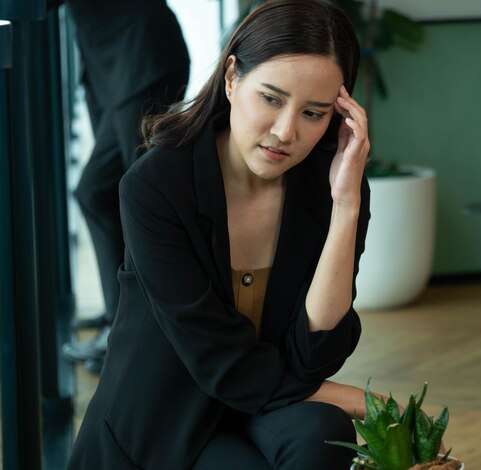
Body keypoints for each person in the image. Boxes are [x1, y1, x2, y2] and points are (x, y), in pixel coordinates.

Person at [68, 1, 375, 468]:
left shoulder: (334, 185)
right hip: (165, 418)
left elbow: (315, 353)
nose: (284, 131)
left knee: (323, 434)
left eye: (314, 113)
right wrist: (361, 400)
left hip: (264, 404)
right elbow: (221, 363)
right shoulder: (156, 187)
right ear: (232, 77)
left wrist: (346, 207)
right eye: (271, 99)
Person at [60, 0, 190, 372]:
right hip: (116, 63)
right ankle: (121, 318)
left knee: (137, 197)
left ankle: (137, 335)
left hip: (140, 58)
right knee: (97, 193)